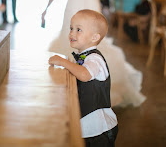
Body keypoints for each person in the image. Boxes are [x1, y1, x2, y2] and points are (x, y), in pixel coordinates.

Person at [49, 9, 118, 147]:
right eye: (71, 28)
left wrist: (64, 62)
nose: (72, 33)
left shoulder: (95, 59)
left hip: (99, 130)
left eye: (78, 30)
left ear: (94, 37)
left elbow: (85, 75)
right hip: (87, 128)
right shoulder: (84, 56)